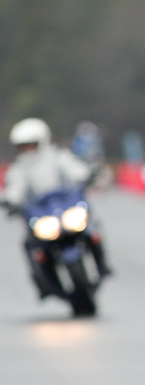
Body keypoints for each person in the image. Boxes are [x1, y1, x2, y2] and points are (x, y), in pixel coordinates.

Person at [2, 118, 112, 295]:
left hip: (65, 207)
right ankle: (42, 282)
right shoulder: (19, 168)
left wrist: (87, 175)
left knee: (92, 230)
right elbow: (15, 189)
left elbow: (76, 171)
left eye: (32, 144)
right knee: (31, 245)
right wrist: (9, 200)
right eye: (24, 145)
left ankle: (103, 264)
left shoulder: (58, 157)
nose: (29, 149)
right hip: (41, 214)